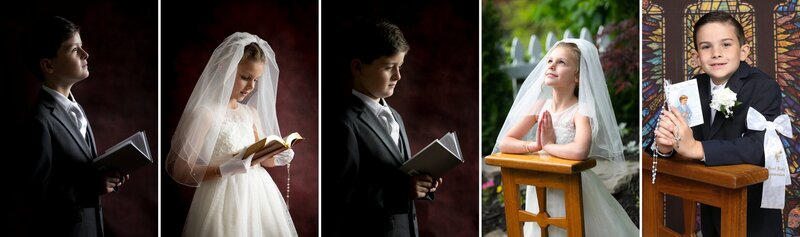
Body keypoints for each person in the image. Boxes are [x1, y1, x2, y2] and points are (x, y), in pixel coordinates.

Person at [654, 11, 782, 236]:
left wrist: (697, 148)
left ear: (743, 51)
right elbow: (676, 137)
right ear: (695, 57)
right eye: (706, 47)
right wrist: (665, 147)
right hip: (710, 204)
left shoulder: (763, 87)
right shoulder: (692, 88)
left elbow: (760, 147)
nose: (716, 53)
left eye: (726, 44)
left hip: (750, 212)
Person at [493, 39, 638, 237]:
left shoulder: (581, 110)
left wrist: (549, 145)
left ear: (577, 77)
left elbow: (580, 150)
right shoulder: (539, 106)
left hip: (570, 187)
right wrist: (535, 145)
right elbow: (505, 142)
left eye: (562, 62)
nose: (552, 65)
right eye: (550, 60)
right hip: (540, 184)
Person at [165, 32, 297, 237]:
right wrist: (224, 169)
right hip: (221, 197)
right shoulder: (206, 113)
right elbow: (181, 169)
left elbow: (263, 161)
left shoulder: (250, 113)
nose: (251, 86)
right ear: (224, 69)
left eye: (256, 80)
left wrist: (281, 152)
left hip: (257, 195)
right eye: (245, 77)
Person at [323, 19, 443, 237]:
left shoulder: (396, 116)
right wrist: (402, 190)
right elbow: (336, 198)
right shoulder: (343, 122)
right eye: (389, 67)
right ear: (358, 67)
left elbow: (396, 174)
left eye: (400, 67)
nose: (398, 76)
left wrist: (424, 183)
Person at [23, 16, 129, 237]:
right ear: (48, 65)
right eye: (74, 50)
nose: (85, 54)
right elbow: (32, 197)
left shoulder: (75, 107)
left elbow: (77, 172)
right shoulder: (39, 120)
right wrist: (91, 186)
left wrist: (108, 174)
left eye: (82, 47)